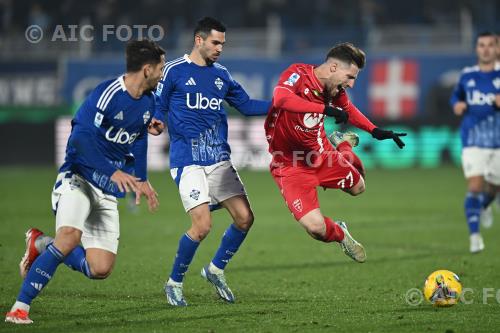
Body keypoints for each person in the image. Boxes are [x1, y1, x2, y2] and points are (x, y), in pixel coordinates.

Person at [5, 39, 165, 324]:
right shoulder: (107, 93)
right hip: (78, 177)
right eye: (161, 67)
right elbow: (79, 138)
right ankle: (20, 307)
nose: (163, 73)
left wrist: (141, 178)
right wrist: (111, 170)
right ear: (147, 69)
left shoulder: (149, 102)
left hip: (106, 190)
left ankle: (40, 244)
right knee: (70, 238)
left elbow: (139, 137)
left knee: (99, 269)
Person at [154, 17, 270, 306]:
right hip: (188, 160)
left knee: (245, 218)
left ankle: (215, 270)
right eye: (215, 42)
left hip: (218, 159)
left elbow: (247, 106)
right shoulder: (174, 71)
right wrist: (154, 120)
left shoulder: (222, 75)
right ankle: (174, 282)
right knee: (202, 226)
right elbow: (158, 104)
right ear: (199, 40)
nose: (220, 48)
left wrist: (283, 103)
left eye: (223, 44)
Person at [264, 42, 406, 262]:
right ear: (333, 68)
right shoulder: (297, 74)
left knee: (359, 188)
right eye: (349, 76)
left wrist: (375, 130)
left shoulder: (334, 90)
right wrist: (324, 109)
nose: (350, 84)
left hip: (321, 156)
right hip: (290, 164)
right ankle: (341, 233)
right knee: (316, 229)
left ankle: (342, 145)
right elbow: (281, 99)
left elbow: (349, 110)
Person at [450, 31, 500, 253]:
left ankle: (486, 205)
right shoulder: (467, 75)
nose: (486, 49)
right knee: (475, 186)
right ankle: (475, 236)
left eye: (490, 45)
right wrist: (457, 105)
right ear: (477, 49)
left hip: (497, 140)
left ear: (497, 49)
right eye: (481, 45)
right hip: (472, 139)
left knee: (494, 188)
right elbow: (456, 96)